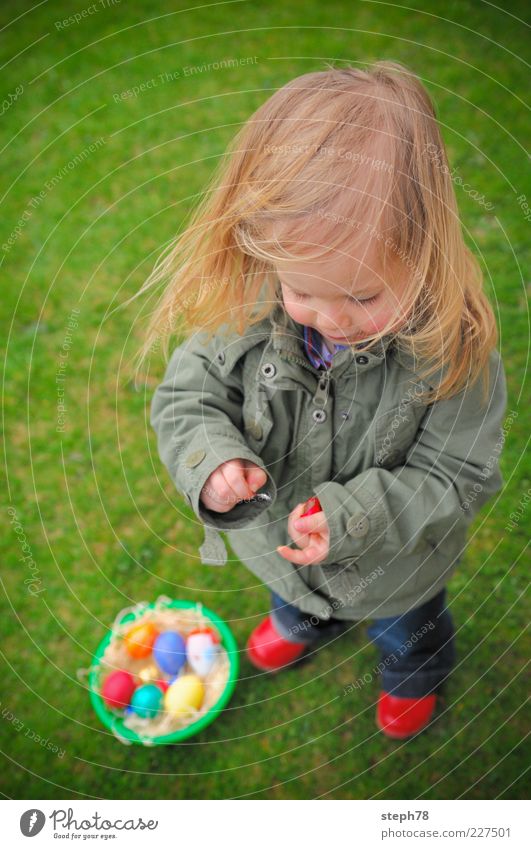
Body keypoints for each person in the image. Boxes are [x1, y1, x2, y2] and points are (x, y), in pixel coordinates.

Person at [137, 61, 507, 739]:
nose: (330, 318)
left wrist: (357, 516)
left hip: (397, 566)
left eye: (362, 296)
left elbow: (457, 476)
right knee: (291, 588)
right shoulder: (246, 307)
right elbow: (187, 394)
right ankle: (301, 617)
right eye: (303, 291)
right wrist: (210, 460)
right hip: (275, 540)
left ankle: (413, 671)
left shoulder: (456, 354)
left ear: (422, 252)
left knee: (406, 627)